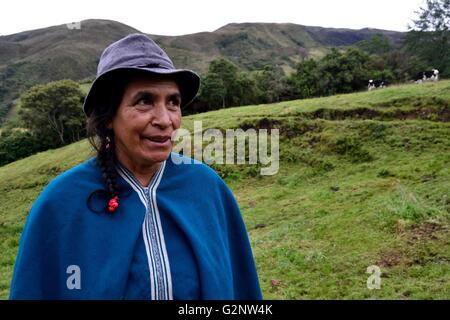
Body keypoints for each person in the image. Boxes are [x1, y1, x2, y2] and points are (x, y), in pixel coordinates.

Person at [9, 34, 262, 300]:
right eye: (145, 101)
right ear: (108, 116)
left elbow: (240, 287)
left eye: (173, 102)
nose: (165, 120)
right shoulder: (61, 203)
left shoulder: (207, 189)